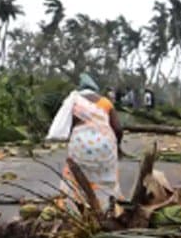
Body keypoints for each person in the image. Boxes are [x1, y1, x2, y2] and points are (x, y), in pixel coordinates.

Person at [47, 73, 124, 208]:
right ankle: (107, 206)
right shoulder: (105, 102)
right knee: (105, 178)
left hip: (80, 144)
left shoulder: (74, 101)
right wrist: (118, 144)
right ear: (95, 89)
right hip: (105, 145)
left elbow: (67, 125)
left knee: (75, 175)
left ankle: (74, 206)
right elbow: (117, 128)